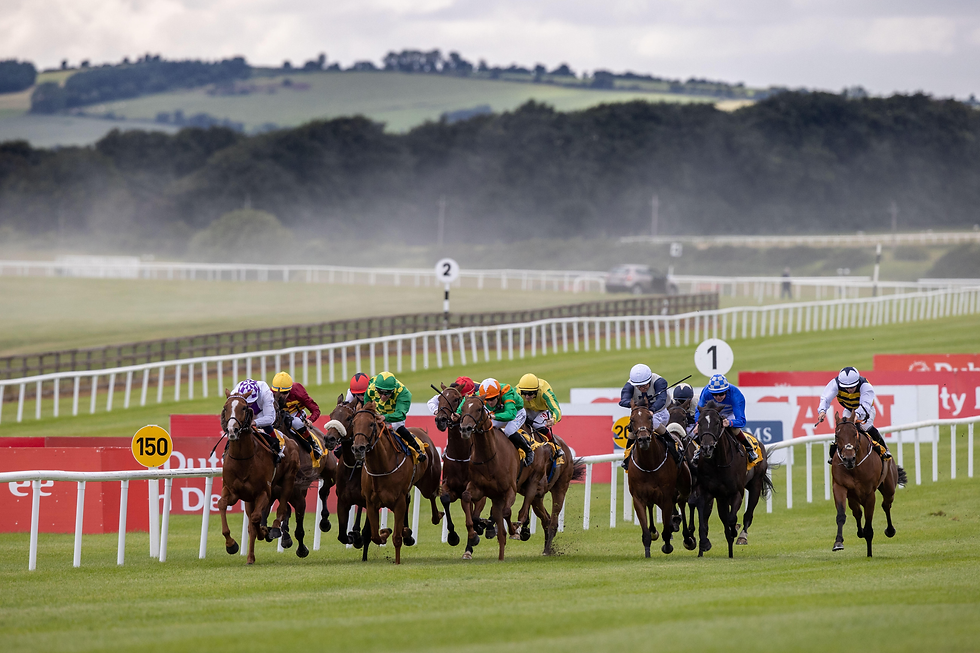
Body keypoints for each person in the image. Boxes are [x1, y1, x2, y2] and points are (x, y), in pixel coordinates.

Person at [817, 366, 891, 462]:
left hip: (866, 411)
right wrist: (822, 411)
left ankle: (884, 449)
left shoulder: (865, 386)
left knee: (865, 427)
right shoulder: (835, 384)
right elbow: (826, 398)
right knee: (843, 428)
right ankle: (834, 455)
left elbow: (865, 405)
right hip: (849, 409)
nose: (849, 390)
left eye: (852, 387)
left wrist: (856, 415)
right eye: (846, 388)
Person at [619, 364, 682, 469]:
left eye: (645, 385)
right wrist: (636, 405)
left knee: (654, 421)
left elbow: (661, 400)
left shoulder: (659, 382)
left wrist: (651, 410)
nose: (642, 388)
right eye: (639, 386)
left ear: (649, 380)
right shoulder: (629, 385)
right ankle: (627, 458)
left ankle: (674, 449)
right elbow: (623, 401)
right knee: (633, 428)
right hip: (641, 415)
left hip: (660, 412)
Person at [469, 377, 534, 466]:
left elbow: (510, 414)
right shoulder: (481, 393)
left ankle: (528, 450)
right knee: (490, 426)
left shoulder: (507, 392)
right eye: (487, 400)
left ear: (498, 395)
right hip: (499, 413)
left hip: (516, 413)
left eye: (492, 399)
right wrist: (457, 413)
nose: (490, 402)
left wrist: (493, 416)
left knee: (508, 431)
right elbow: (467, 400)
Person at [696, 374, 758, 463]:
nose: (718, 397)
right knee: (706, 428)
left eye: (721, 394)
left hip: (730, 414)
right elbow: (699, 410)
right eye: (714, 394)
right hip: (713, 414)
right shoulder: (706, 392)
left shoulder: (736, 395)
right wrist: (697, 423)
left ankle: (749, 449)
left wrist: (729, 423)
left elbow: (742, 421)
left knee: (734, 429)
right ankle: (699, 450)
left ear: (726, 391)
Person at [365, 371, 425, 462]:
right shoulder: (372, 387)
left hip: (394, 415)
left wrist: (385, 417)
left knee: (397, 427)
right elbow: (366, 402)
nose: (382, 397)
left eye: (387, 393)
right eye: (380, 392)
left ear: (393, 390)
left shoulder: (404, 393)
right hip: (378, 412)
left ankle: (416, 449)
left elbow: (400, 414)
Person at [271, 371, 323, 460]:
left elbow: (315, 409)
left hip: (295, 413)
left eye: (284, 393)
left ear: (290, 390)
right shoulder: (270, 393)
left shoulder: (298, 391)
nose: (281, 396)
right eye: (278, 392)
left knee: (296, 422)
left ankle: (314, 444)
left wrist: (311, 420)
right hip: (280, 413)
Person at [233, 378, 283, 460]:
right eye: (247, 402)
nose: (249, 404)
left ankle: (277, 448)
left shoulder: (266, 392)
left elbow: (270, 418)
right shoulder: (235, 393)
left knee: (265, 424)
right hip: (243, 410)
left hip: (261, 412)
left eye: (251, 402)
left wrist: (254, 422)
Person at [516, 373, 562, 440]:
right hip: (527, 409)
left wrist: (553, 420)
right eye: (524, 393)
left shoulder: (545, 392)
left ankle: (554, 444)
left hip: (543, 410)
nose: (527, 397)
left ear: (536, 391)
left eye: (530, 394)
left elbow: (556, 409)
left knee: (537, 424)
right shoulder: (517, 392)